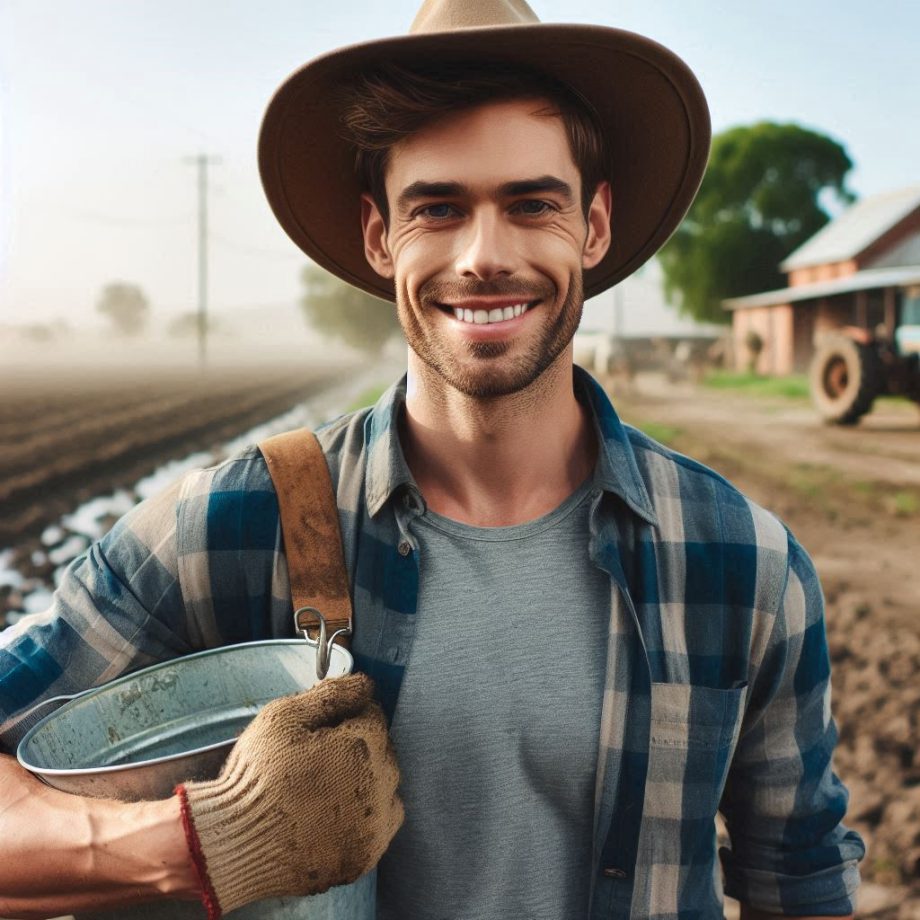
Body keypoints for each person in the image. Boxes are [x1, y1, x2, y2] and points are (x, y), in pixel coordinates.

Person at [0, 1, 865, 918]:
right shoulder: (226, 530)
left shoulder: (743, 563)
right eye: (438, 208)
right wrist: (205, 838)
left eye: (532, 204)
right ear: (380, 237)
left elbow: (800, 883)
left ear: (595, 227)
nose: (485, 256)